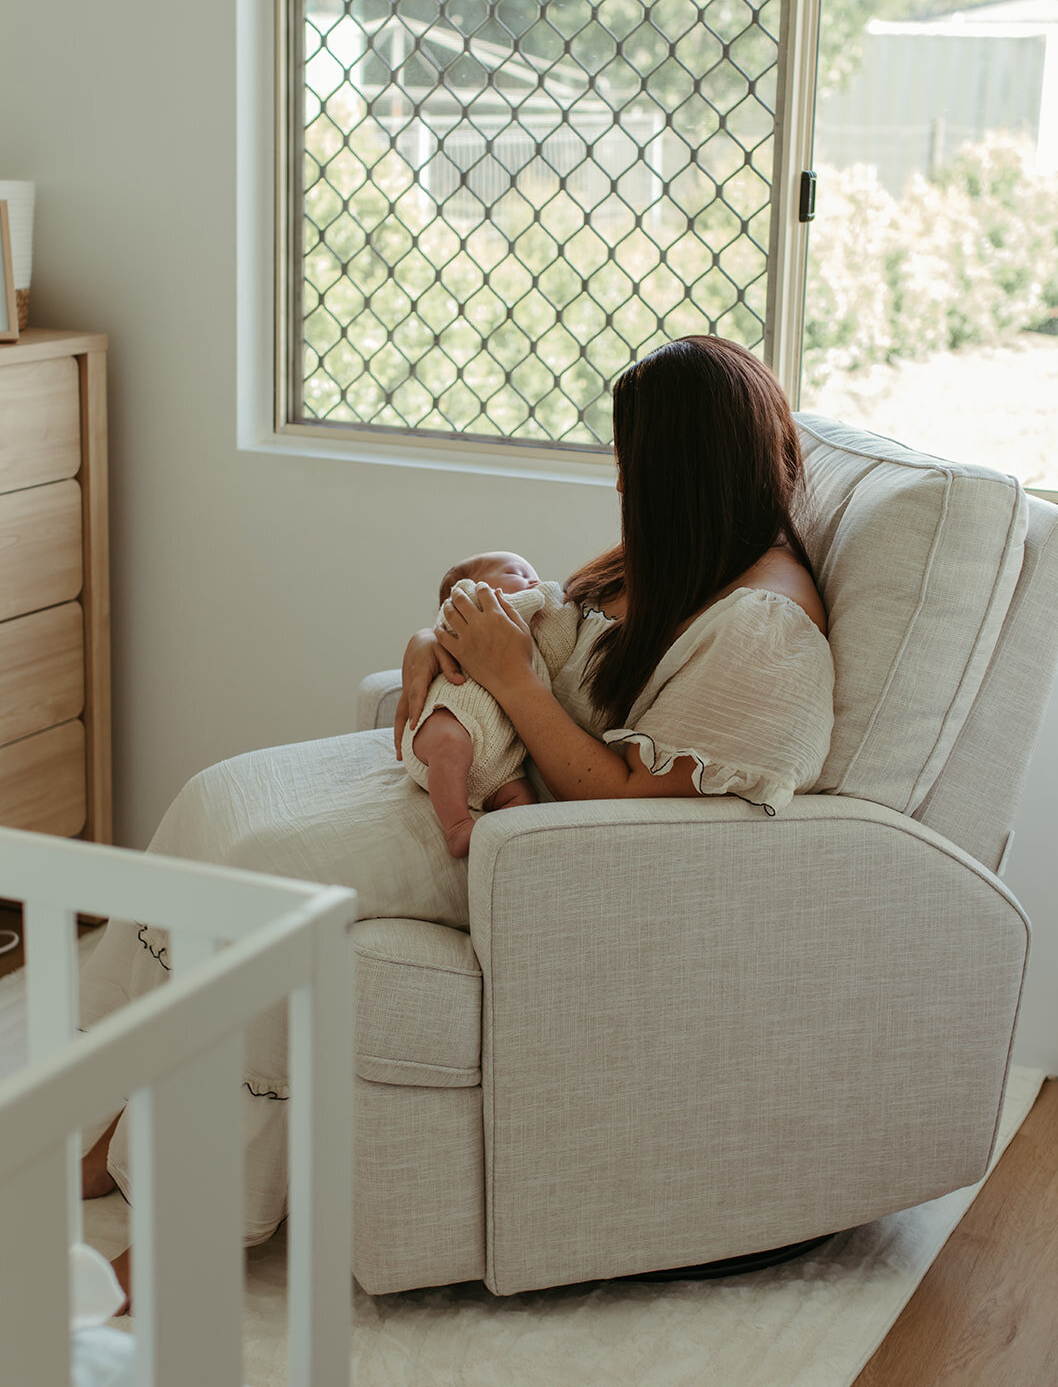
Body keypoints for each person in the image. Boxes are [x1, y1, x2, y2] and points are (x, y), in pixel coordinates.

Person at [79, 334, 835, 1304]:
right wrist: (442, 646)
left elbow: (626, 811)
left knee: (265, 877)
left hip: (542, 846)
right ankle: (127, 1108)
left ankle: (191, 1221)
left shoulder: (764, 634)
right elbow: (550, 631)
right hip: (505, 781)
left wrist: (510, 680)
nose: (615, 478)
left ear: (679, 469)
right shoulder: (683, 558)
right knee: (214, 797)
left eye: (628, 460)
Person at [401, 551, 580, 858]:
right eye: (517, 573)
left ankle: (503, 848)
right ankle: (457, 825)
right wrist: (546, 593)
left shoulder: (531, 641)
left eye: (533, 575)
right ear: (473, 585)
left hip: (499, 763)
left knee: (522, 795)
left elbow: (563, 647)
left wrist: (562, 614)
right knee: (452, 743)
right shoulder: (467, 610)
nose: (532, 580)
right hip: (447, 723)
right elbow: (495, 607)